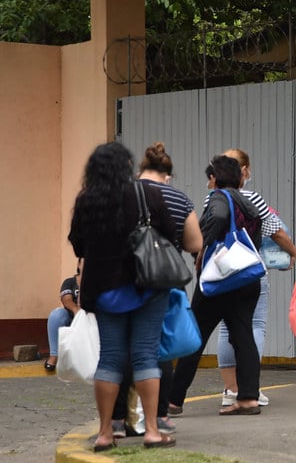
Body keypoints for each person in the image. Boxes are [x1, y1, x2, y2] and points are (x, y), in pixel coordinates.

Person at [68, 142, 200, 452]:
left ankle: (104, 433)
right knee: (145, 355)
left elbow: (77, 245)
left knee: (110, 358)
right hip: (147, 288)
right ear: (127, 165)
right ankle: (152, 430)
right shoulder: (147, 194)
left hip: (104, 291)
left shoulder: (87, 201)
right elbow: (170, 234)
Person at [110, 142, 201, 437]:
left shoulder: (122, 195)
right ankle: (160, 416)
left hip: (123, 280)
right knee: (158, 349)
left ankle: (116, 421)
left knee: (121, 349)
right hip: (161, 282)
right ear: (168, 175)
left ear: (140, 170)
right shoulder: (178, 198)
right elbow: (195, 244)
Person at [169, 155, 264, 416]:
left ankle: (174, 400)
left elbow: (219, 217)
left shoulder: (220, 197)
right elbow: (255, 235)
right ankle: (248, 398)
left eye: (209, 177)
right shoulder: (248, 201)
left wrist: (202, 247)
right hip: (246, 278)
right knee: (244, 337)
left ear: (214, 178)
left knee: (194, 336)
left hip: (220, 279)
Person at [213, 148, 296, 408]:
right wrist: (293, 252)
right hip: (251, 269)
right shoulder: (253, 198)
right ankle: (249, 388)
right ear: (245, 171)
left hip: (222, 270)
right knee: (255, 325)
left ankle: (230, 389)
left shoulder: (213, 198)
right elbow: (275, 232)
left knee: (227, 327)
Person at [44, 260, 81, 372]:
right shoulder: (70, 282)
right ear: (79, 265)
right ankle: (54, 355)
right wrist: (76, 311)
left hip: (91, 322)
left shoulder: (97, 282)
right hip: (71, 320)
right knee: (57, 314)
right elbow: (66, 299)